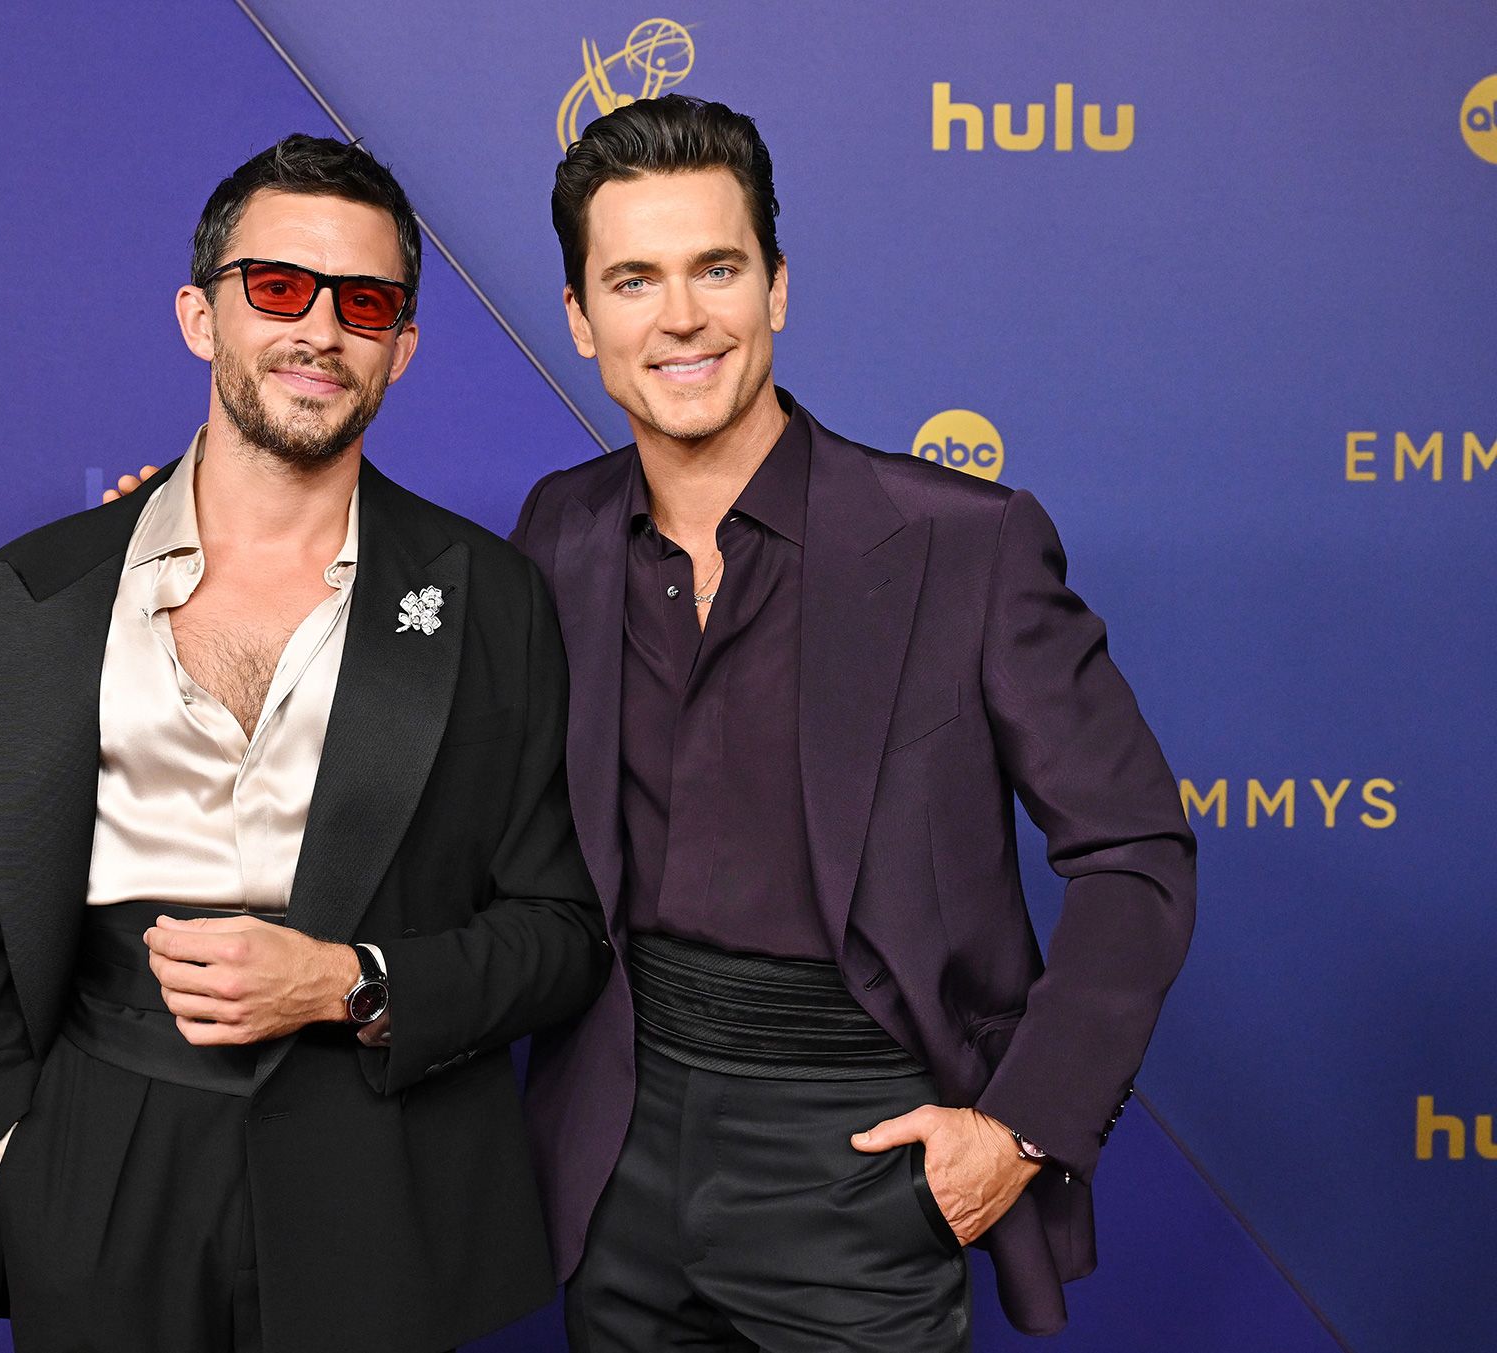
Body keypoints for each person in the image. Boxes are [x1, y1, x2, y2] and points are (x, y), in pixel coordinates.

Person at [105, 97, 1196, 1351]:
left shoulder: (966, 545)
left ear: (774, 289)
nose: (678, 318)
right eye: (631, 280)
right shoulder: (551, 537)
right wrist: (222, 547)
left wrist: (1017, 1128)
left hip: (861, 1151)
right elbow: (402, 733)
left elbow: (1135, 856)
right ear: (579, 320)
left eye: (714, 269)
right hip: (609, 1141)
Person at [0, 133, 607, 1353]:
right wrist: (24, 1149)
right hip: (101, 1161)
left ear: (402, 349)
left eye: (366, 303)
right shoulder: (28, 594)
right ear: (200, 315)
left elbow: (557, 935)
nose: (318, 331)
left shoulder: (492, 599)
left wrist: (347, 981)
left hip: (380, 1170)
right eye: (278, 287)